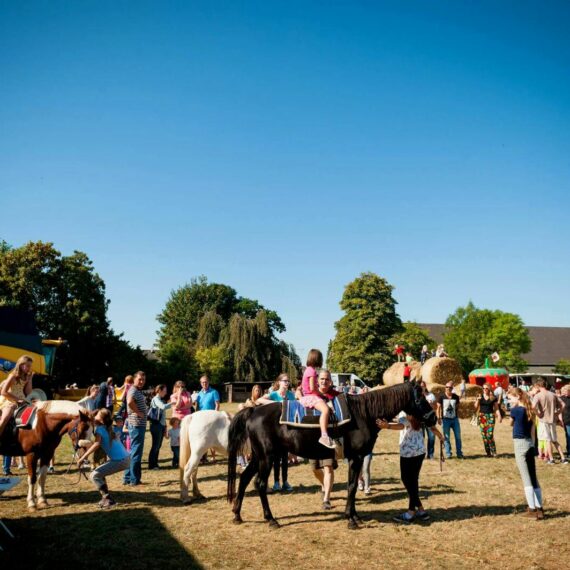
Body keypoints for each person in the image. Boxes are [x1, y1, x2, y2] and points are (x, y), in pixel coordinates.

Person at [377, 412, 444, 524]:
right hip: (420, 450)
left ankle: (411, 513)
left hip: (409, 452)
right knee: (413, 481)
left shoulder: (407, 411)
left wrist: (387, 426)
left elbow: (401, 425)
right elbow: (431, 427)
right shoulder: (420, 412)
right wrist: (440, 436)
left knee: (407, 479)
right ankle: (421, 510)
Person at [81, 408, 130, 509]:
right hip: (125, 458)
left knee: (94, 476)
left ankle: (108, 499)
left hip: (120, 461)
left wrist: (82, 458)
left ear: (102, 420)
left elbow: (97, 444)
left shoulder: (99, 429)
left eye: (97, 415)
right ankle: (106, 498)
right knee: (99, 472)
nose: (95, 416)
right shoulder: (107, 427)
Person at [507, 387, 544, 519]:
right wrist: (533, 446)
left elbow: (510, 423)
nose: (509, 401)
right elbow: (533, 431)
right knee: (534, 477)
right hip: (529, 443)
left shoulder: (516, 410)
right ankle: (540, 508)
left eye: (510, 398)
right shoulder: (530, 410)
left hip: (520, 444)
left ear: (517, 397)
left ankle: (532, 509)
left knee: (526, 478)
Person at [309, 369, 339, 509]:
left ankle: (326, 498)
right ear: (317, 380)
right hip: (313, 439)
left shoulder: (336, 396)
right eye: (322, 379)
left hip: (329, 437)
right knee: (315, 469)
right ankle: (323, 485)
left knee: (328, 467)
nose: (324, 381)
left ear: (330, 381)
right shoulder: (313, 395)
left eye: (327, 379)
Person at [299, 349, 335, 449]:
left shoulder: (307, 370)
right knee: (325, 410)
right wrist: (322, 395)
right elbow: (312, 388)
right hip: (310, 397)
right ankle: (324, 436)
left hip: (307, 396)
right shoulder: (312, 371)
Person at [267, 374, 295, 492]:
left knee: (285, 458)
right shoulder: (274, 394)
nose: (287, 383)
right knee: (276, 459)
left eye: (288, 381)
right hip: (275, 431)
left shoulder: (290, 395)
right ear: (279, 382)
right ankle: (276, 482)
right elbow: (259, 400)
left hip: (287, 431)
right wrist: (277, 405)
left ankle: (285, 482)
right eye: (285, 381)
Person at [532, 378, 566, 464]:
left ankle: (551, 459)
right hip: (552, 420)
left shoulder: (538, 395)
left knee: (547, 440)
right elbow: (563, 404)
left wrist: (538, 414)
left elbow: (532, 407)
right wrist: (557, 412)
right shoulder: (553, 394)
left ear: (539, 386)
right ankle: (563, 458)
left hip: (543, 420)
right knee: (554, 440)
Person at [123, 371, 147, 486]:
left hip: (137, 424)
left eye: (143, 379)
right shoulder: (133, 389)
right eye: (139, 379)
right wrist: (138, 412)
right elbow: (129, 401)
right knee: (136, 452)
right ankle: (134, 479)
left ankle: (127, 478)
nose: (141, 381)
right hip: (137, 425)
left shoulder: (136, 390)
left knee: (133, 452)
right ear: (134, 379)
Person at [0, 355, 33, 439]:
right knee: (5, 418)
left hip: (22, 399)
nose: (29, 368)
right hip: (9, 399)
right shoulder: (13, 376)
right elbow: (3, 392)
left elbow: (28, 392)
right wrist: (17, 399)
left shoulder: (26, 377)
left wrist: (30, 380)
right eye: (27, 366)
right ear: (21, 365)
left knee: (30, 416)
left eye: (30, 366)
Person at [148, 384, 172, 470]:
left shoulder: (159, 399)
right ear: (160, 390)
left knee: (158, 445)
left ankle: (155, 464)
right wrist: (172, 402)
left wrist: (165, 426)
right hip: (156, 425)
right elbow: (163, 407)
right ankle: (152, 465)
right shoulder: (156, 399)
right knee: (155, 445)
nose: (165, 393)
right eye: (164, 391)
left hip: (160, 425)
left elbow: (162, 414)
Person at [437, 382, 463, 459]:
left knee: (458, 437)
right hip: (445, 420)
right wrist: (438, 418)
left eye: (450, 387)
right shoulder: (441, 397)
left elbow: (457, 406)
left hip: (454, 419)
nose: (448, 388)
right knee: (446, 437)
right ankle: (448, 454)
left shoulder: (456, 397)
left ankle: (459, 453)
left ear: (452, 388)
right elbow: (438, 408)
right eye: (447, 387)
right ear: (445, 388)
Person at [475, 383, 502, 457]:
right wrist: (477, 400)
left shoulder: (493, 398)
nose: (484, 390)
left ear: (489, 389)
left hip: (490, 416)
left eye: (486, 388)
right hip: (482, 416)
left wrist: (499, 416)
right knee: (484, 436)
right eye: (483, 388)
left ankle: (493, 451)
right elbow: (475, 407)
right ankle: (488, 452)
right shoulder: (479, 396)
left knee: (489, 435)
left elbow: (496, 408)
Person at [420, 381, 437, 459]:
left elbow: (435, 407)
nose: (422, 387)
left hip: (429, 420)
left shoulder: (431, 395)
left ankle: (430, 455)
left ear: (425, 386)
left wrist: (430, 407)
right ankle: (421, 454)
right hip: (420, 420)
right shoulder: (417, 396)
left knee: (432, 437)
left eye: (423, 386)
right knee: (421, 437)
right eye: (420, 386)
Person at [560, 384, 570, 459]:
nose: (564, 392)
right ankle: (569, 451)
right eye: (563, 391)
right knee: (568, 436)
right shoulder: (561, 398)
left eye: (566, 391)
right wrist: (560, 420)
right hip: (566, 420)